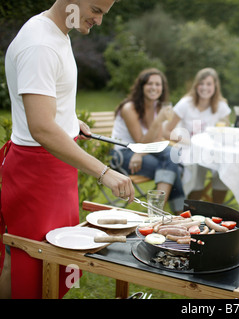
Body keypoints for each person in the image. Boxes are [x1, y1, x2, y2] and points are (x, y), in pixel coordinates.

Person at [0, 0, 134, 299]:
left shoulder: (56, 32)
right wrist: (104, 172)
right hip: (37, 172)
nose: (98, 21)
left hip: (54, 167)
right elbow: (42, 128)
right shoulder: (41, 45)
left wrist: (71, 123)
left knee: (50, 259)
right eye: (96, 11)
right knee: (30, 261)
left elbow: (47, 108)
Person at [111, 68, 185, 213]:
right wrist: (158, 121)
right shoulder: (129, 108)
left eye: (158, 84)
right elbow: (139, 141)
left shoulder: (156, 106)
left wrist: (141, 154)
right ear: (142, 86)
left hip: (141, 151)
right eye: (149, 84)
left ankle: (160, 212)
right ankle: (172, 213)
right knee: (173, 166)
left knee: (172, 155)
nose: (154, 87)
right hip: (124, 153)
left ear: (162, 88)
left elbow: (157, 139)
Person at [163, 68, 231, 204]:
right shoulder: (185, 104)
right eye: (201, 83)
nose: (205, 87)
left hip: (212, 150)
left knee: (224, 167)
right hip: (188, 148)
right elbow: (166, 131)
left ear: (215, 86)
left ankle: (218, 212)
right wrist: (186, 141)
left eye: (209, 84)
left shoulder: (221, 106)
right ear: (196, 86)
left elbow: (226, 132)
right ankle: (191, 211)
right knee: (197, 167)